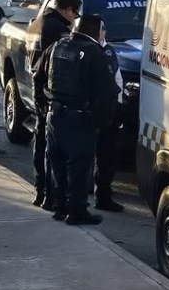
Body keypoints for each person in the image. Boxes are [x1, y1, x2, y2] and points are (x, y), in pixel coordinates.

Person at [39, 13, 117, 224]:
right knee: (79, 168)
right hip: (79, 119)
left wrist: (43, 106)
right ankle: (76, 212)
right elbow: (108, 92)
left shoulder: (57, 46)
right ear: (97, 31)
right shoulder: (94, 53)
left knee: (58, 166)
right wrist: (100, 122)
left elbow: (39, 76)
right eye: (102, 31)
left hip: (54, 116)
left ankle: (59, 208)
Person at [27, 0, 82, 209]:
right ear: (67, 10)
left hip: (36, 85)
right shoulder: (58, 30)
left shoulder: (36, 23)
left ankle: (39, 190)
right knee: (53, 149)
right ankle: (51, 196)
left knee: (40, 143)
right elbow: (59, 63)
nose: (75, 18)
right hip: (50, 91)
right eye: (75, 14)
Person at [93, 44, 125, 212]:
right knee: (81, 159)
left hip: (107, 113)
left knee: (106, 157)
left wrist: (117, 107)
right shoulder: (87, 50)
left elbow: (117, 80)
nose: (103, 33)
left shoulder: (108, 51)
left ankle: (102, 196)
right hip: (88, 112)